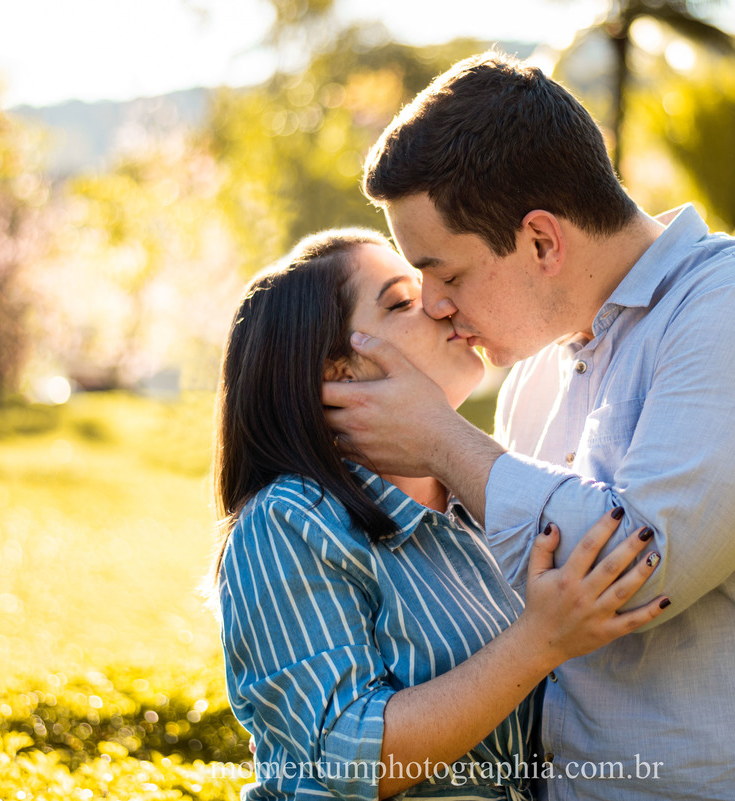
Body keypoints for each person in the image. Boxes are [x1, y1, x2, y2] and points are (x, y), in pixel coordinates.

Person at [323, 53, 735, 800]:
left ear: (541, 240)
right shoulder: (533, 379)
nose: (433, 303)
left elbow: (634, 573)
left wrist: (440, 438)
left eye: (449, 274)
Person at [210, 228, 671, 801]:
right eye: (402, 302)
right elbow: (344, 755)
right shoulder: (291, 522)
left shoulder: (479, 510)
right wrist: (539, 642)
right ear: (339, 373)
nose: (441, 305)